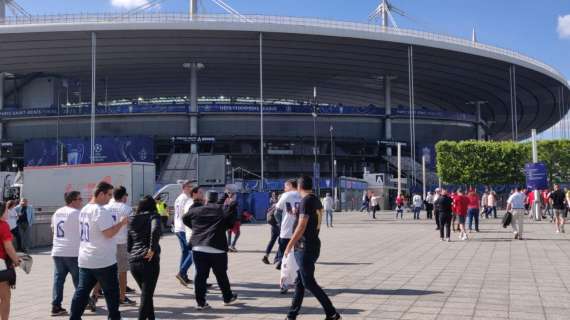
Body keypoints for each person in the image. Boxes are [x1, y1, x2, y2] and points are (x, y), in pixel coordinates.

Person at [284, 176, 341, 320]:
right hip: (313, 244)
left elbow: (302, 225)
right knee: (300, 283)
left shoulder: (306, 201)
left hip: (304, 247)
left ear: (299, 187)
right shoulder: (315, 199)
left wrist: (290, 244)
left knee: (308, 282)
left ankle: (332, 313)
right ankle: (291, 315)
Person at [69, 181, 128, 320]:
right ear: (100, 194)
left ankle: (74, 317)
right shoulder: (100, 211)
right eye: (108, 195)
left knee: (82, 292)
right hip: (103, 259)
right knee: (111, 292)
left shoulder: (84, 209)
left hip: (85, 258)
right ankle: (114, 317)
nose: (110, 198)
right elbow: (109, 233)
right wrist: (122, 223)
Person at [183, 189, 238, 310]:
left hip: (198, 247)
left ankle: (200, 302)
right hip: (217, 248)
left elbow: (185, 218)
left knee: (200, 276)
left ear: (205, 199)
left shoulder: (196, 210)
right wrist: (233, 203)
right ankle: (227, 297)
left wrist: (196, 228)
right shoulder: (222, 210)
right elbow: (231, 220)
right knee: (221, 275)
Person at [128, 196, 162, 320]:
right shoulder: (153, 216)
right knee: (146, 295)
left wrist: (132, 252)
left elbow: (129, 241)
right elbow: (156, 229)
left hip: (134, 262)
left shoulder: (132, 218)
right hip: (148, 261)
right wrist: (152, 249)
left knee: (147, 294)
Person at [50, 191, 82, 316]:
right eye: (79, 199)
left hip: (58, 250)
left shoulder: (58, 212)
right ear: (73, 200)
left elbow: (53, 229)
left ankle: (56, 306)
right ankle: (82, 303)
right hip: (72, 251)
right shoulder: (76, 213)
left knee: (58, 280)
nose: (81, 201)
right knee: (80, 281)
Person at [105, 186, 136, 306]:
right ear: (123, 196)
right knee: (122, 271)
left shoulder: (106, 207)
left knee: (103, 270)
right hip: (121, 242)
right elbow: (132, 227)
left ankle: (95, 295)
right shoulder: (127, 209)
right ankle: (121, 297)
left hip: (107, 241)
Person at [0, 201, 21, 320]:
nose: (8, 212)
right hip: (0, 264)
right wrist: (16, 260)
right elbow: (8, 247)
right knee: (5, 297)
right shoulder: (3, 225)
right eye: (6, 210)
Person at [275, 180, 301, 271]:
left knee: (284, 250)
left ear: (290, 185)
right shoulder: (302, 195)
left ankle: (282, 265)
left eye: (285, 187)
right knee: (297, 253)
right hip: (299, 229)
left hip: (286, 229)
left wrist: (280, 223)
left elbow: (277, 211)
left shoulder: (285, 195)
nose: (284, 189)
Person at [173, 180, 193, 286]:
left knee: (185, 252)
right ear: (184, 187)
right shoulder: (186, 199)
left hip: (178, 227)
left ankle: (183, 275)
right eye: (189, 186)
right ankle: (182, 273)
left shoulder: (179, 198)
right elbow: (185, 215)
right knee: (191, 252)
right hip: (183, 228)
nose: (191, 188)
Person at [262, 197, 280, 265]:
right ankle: (277, 258)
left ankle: (266, 256)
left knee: (272, 241)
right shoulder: (280, 205)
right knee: (282, 242)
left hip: (273, 226)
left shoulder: (274, 205)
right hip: (279, 226)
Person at [225, 184, 240, 252]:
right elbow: (235, 205)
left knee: (229, 233)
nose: (236, 196)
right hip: (233, 220)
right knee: (238, 233)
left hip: (228, 220)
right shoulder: (233, 202)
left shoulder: (226, 201)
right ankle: (232, 246)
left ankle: (228, 246)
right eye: (235, 195)